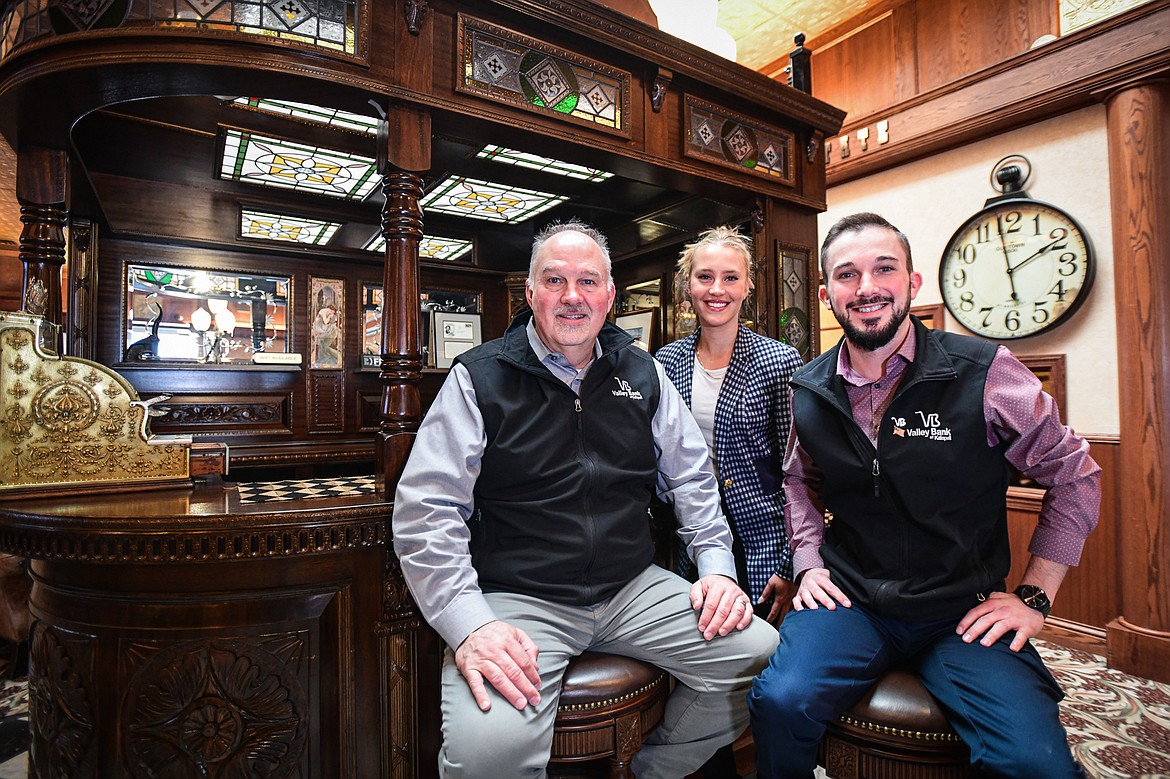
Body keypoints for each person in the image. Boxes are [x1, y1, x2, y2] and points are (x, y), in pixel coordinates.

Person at [393, 219, 779, 778]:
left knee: (756, 654)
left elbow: (693, 479)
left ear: (610, 297)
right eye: (555, 281)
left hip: (630, 587)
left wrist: (716, 569)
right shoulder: (478, 378)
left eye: (588, 282)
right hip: (520, 597)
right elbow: (426, 511)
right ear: (530, 294)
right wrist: (470, 624)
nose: (572, 297)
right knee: (487, 754)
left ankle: (652, 771)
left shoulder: (642, 372)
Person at [748, 212, 1100, 778]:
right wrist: (809, 563)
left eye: (883, 269)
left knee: (1034, 762)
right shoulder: (806, 389)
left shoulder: (986, 373)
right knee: (779, 703)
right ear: (825, 294)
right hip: (852, 600)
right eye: (847, 275)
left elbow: (1075, 474)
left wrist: (1034, 597)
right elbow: (799, 481)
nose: (866, 288)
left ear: (912, 283)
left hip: (961, 608)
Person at [656, 226, 802, 624]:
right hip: (689, 541)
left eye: (730, 277)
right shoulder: (665, 363)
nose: (716, 289)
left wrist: (793, 567)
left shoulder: (780, 362)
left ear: (747, 286)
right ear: (688, 284)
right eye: (705, 277)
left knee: (761, 654)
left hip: (764, 545)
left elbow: (798, 473)